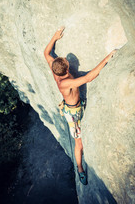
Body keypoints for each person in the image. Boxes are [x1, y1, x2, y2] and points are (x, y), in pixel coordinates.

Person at [44, 27, 116, 185]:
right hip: (74, 114)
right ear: (67, 69)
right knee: (79, 143)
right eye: (67, 61)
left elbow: (46, 53)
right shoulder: (66, 82)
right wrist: (107, 58)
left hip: (73, 106)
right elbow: (89, 77)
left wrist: (54, 37)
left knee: (79, 140)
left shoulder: (55, 68)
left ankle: (79, 167)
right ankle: (80, 168)